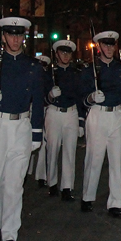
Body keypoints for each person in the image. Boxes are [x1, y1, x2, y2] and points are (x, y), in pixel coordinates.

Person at [0, 17, 45, 241]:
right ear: (3, 36)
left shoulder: (33, 66)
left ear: (24, 37)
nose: (15, 39)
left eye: (19, 35)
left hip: (21, 126)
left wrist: (37, 132)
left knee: (15, 184)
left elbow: (38, 101)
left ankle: (9, 235)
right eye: (11, 35)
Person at [80, 30, 121, 218]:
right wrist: (91, 98)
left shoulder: (120, 69)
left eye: (112, 45)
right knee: (94, 158)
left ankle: (115, 203)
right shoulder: (90, 69)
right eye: (106, 45)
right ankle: (88, 197)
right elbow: (82, 97)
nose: (109, 48)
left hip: (116, 115)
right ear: (99, 47)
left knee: (116, 161)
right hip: (98, 114)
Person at [44, 40, 81, 201]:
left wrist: (81, 121)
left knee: (70, 150)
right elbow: (42, 97)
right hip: (54, 112)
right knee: (52, 148)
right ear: (56, 54)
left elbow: (79, 97)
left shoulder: (76, 73)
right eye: (62, 52)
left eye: (68, 53)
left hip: (71, 113)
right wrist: (50, 96)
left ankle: (67, 187)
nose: (65, 56)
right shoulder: (49, 73)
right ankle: (52, 182)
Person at [31, 55, 52, 188]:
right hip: (29, 109)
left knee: (43, 143)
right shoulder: (30, 75)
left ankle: (41, 175)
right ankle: (28, 170)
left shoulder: (48, 77)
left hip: (44, 109)